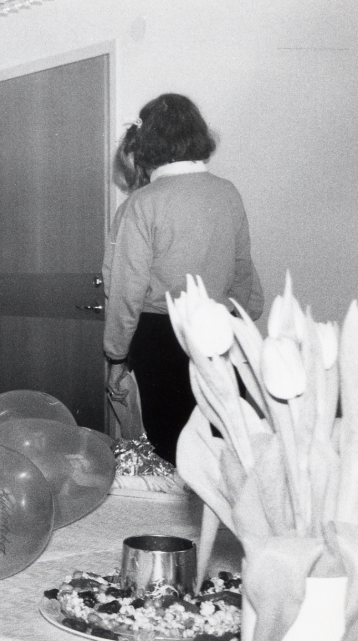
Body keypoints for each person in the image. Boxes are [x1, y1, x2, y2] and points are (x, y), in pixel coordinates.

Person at [103, 93, 264, 464]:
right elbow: (243, 274)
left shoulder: (143, 202)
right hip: (222, 334)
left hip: (163, 338)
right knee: (224, 446)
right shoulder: (227, 192)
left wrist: (116, 355)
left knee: (174, 448)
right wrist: (235, 323)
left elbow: (126, 290)